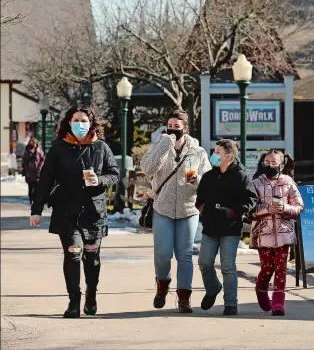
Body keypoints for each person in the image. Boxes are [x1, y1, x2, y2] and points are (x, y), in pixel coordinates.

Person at [29, 106, 119, 318]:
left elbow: (114, 174)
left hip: (93, 210)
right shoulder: (59, 148)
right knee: (73, 252)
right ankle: (74, 301)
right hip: (66, 209)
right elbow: (46, 179)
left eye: (84, 120)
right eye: (76, 120)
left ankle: (91, 294)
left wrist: (101, 180)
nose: (80, 124)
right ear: (69, 122)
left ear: (91, 123)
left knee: (91, 254)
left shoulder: (101, 147)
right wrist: (37, 209)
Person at [140, 109, 211, 313]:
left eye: (176, 127)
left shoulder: (198, 152)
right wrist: (164, 145)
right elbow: (147, 169)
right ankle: (162, 286)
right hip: (162, 208)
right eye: (169, 126)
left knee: (185, 254)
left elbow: (207, 182)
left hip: (188, 209)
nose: (172, 130)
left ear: (185, 128)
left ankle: (184, 298)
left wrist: (197, 180)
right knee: (162, 253)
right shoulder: (160, 146)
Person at [196, 139, 258, 316]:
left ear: (228, 156)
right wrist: (203, 209)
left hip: (230, 228)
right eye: (214, 152)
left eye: (217, 152)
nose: (213, 155)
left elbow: (251, 199)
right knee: (204, 262)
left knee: (228, 266)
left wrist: (234, 212)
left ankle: (231, 304)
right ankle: (213, 287)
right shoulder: (209, 176)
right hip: (210, 227)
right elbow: (199, 198)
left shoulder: (241, 176)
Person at [250, 150, 303, 316]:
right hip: (263, 233)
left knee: (281, 268)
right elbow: (249, 210)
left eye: (274, 163)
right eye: (267, 162)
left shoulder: (288, 182)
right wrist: (265, 209)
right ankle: (261, 288)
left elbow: (299, 206)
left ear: (281, 165)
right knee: (267, 268)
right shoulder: (256, 183)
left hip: (284, 234)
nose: (270, 165)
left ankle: (278, 303)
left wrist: (285, 208)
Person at [22, 138, 45, 204]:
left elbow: (42, 160)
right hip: (29, 172)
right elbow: (24, 162)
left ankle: (35, 200)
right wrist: (26, 170)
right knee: (31, 188)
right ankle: (31, 200)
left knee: (37, 188)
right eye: (31, 142)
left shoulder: (39, 151)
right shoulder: (26, 151)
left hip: (37, 172)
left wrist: (40, 168)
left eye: (34, 143)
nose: (33, 144)